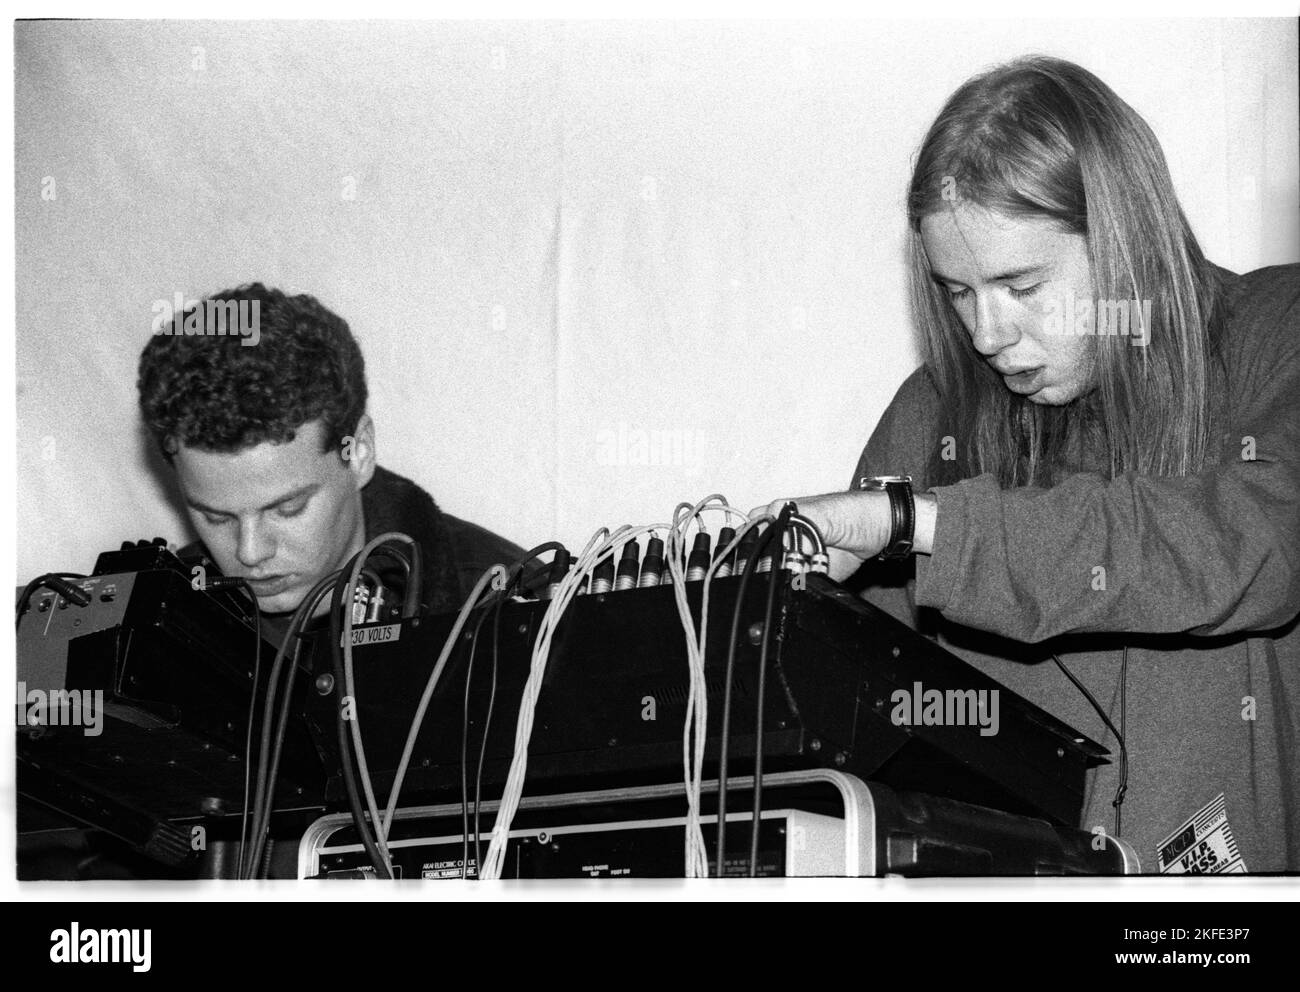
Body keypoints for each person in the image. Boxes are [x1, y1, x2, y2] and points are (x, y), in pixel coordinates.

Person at [757, 56, 1299, 873]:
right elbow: (849, 701)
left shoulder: (1275, 330)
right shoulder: (930, 412)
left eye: (1022, 285)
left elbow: (1256, 537)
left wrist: (923, 525)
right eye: (957, 292)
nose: (986, 334)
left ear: (1127, 243)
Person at [138, 283, 523, 640]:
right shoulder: (147, 622)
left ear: (359, 453)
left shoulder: (511, 610)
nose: (251, 553)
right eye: (216, 518)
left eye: (288, 508)